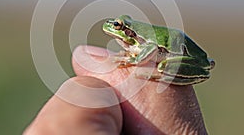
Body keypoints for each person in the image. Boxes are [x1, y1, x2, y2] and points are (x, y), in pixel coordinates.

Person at [24, 46, 207, 134]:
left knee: (161, 68)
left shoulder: (142, 42)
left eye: (119, 26)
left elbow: (151, 48)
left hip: (177, 56)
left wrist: (132, 60)